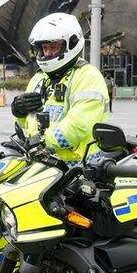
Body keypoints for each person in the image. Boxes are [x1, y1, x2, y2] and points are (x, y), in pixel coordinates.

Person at [10, 12, 109, 166]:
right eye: (44, 48)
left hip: (79, 165)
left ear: (71, 44)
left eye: (53, 47)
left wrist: (41, 141)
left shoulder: (88, 76)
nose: (47, 53)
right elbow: (27, 123)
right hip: (41, 159)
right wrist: (18, 111)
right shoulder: (39, 78)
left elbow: (78, 125)